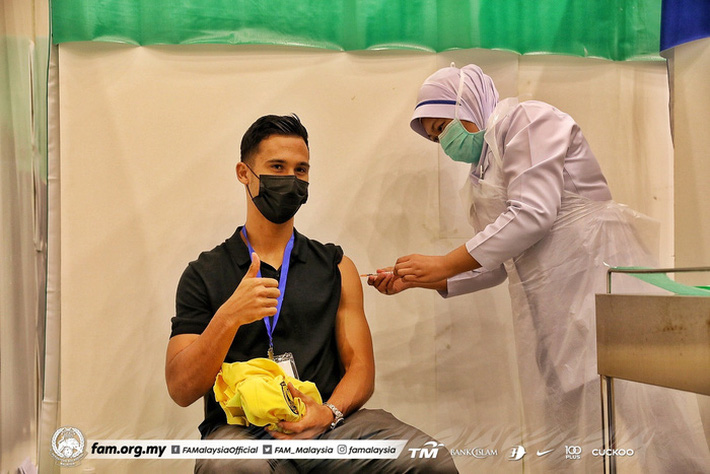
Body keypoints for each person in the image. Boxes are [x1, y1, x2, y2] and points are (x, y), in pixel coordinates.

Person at [368, 64, 710, 472]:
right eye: (436, 137)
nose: (445, 143)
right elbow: (497, 262)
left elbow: (533, 214)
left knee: (651, 412)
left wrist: (444, 262)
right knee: (572, 429)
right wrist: (424, 278)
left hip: (602, 281)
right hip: (552, 306)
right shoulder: (481, 176)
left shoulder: (526, 120)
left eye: (443, 127)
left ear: (467, 104)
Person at [166, 114, 458, 473]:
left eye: (301, 170)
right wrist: (229, 318)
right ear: (244, 173)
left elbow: (361, 368)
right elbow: (181, 389)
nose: (291, 179)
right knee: (233, 466)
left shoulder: (337, 266)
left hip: (329, 426)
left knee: (427, 458)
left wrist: (328, 413)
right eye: (277, 167)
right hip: (242, 432)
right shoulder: (204, 274)